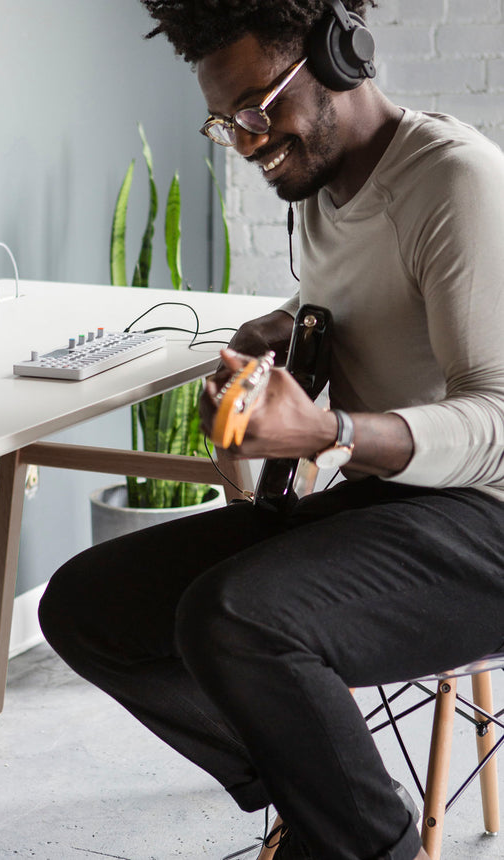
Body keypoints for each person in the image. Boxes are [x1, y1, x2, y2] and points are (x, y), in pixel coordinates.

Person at [38, 1, 504, 858]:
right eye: (228, 122)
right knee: (88, 606)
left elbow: (500, 417)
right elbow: (372, 297)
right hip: (396, 501)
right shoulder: (322, 184)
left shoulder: (456, 181)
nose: (248, 140)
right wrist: (287, 327)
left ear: (340, 54)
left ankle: (361, 843)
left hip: (489, 519)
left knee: (237, 619)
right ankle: (323, 797)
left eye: (260, 108)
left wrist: (330, 432)